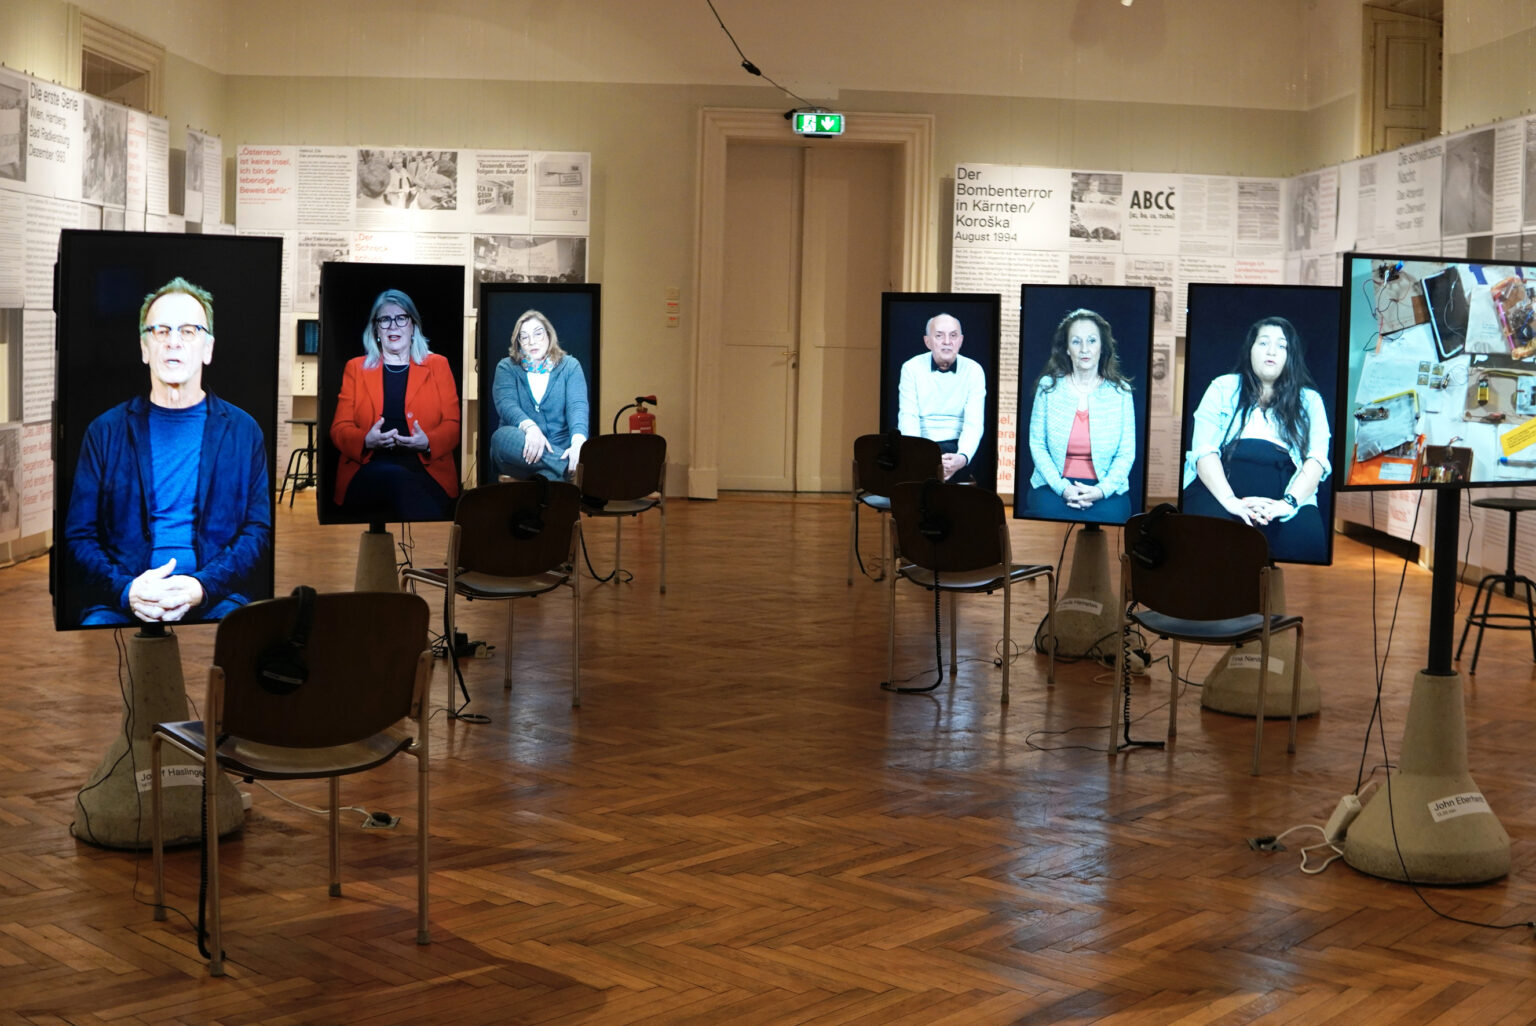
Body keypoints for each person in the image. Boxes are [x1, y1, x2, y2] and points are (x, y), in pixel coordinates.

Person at [63, 277, 271, 625]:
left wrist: (202, 586)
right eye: (161, 331)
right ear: (145, 348)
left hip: (217, 595)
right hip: (123, 596)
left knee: (239, 637)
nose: (173, 341)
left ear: (208, 348)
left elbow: (258, 530)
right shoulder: (105, 432)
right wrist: (127, 590)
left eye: (188, 331)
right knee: (96, 626)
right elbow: (79, 536)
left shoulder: (243, 431)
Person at [1182, 315, 1331, 562]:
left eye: (1281, 345)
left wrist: (1286, 504)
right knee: (1206, 536)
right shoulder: (1222, 387)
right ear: (1250, 349)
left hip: (1287, 499)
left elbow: (1316, 460)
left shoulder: (1310, 400)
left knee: (1307, 538)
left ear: (1290, 355)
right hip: (1219, 493)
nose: (1271, 351)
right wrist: (1231, 502)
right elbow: (1203, 451)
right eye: (1263, 343)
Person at [331, 289, 461, 521]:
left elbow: (453, 426)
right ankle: (438, 540)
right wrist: (365, 440)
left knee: (408, 485)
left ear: (413, 325)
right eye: (385, 320)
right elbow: (339, 429)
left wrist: (428, 442)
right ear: (376, 329)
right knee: (395, 477)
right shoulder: (356, 368)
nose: (393, 326)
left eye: (401, 318)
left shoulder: (438, 365)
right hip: (369, 466)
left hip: (428, 468)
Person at [1025, 309, 1136, 523]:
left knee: (1114, 515)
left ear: (1102, 346)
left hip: (1105, 488)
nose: (1085, 349)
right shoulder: (1048, 387)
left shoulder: (1121, 392)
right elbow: (1037, 445)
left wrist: (1101, 490)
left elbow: (1126, 453)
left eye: (1092, 341)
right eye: (1076, 342)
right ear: (1067, 348)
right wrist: (1063, 488)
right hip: (1053, 485)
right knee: (1044, 512)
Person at [490, 310, 589, 481]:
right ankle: (570, 468)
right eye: (524, 337)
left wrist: (578, 444)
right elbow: (506, 404)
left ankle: (558, 471)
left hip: (558, 446)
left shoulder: (570, 366)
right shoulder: (506, 367)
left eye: (538, 334)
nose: (532, 341)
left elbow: (577, 407)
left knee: (549, 475)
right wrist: (531, 428)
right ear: (518, 342)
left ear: (549, 335)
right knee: (500, 438)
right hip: (520, 451)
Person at [896, 312, 986, 481]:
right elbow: (908, 417)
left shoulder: (974, 370)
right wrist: (917, 455)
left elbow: (974, 423)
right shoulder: (911, 368)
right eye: (939, 336)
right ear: (927, 341)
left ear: (961, 341)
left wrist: (962, 457)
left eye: (953, 336)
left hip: (957, 445)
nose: (947, 342)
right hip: (921, 444)